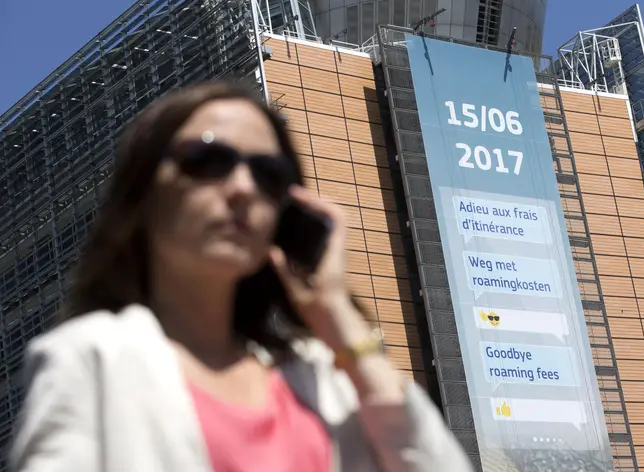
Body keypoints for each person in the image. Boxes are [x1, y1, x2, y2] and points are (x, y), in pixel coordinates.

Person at [9, 81, 473, 472]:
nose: (243, 188)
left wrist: (335, 314)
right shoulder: (90, 357)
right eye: (209, 161)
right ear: (146, 191)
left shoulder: (316, 375)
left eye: (270, 174)